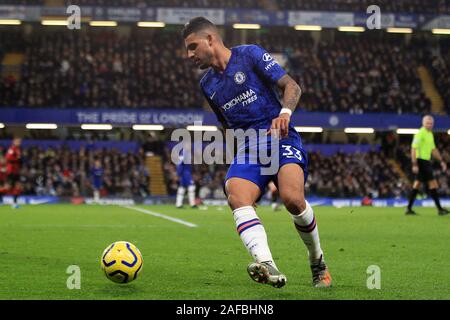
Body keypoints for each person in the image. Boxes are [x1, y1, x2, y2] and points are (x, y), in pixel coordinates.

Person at [182, 17, 331, 288]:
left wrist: (285, 114)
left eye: (193, 46)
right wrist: (246, 172)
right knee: (237, 193)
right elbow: (227, 126)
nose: (189, 55)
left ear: (211, 39)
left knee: (292, 200)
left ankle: (317, 261)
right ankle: (267, 264)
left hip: (281, 138)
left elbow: (292, 86)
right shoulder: (207, 84)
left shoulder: (250, 54)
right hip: (250, 148)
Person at [406, 115, 449, 216]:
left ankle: (409, 208)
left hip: (426, 162)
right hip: (421, 161)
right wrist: (414, 164)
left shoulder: (430, 134)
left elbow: (433, 150)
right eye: (427, 123)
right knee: (433, 184)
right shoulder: (420, 134)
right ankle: (439, 209)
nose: (429, 125)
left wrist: (441, 161)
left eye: (431, 123)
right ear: (423, 123)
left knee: (417, 184)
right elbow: (413, 149)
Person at [5, 138, 22, 209]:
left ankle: (15, 203)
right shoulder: (12, 149)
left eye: (20, 142)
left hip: (16, 171)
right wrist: (17, 159)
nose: (19, 143)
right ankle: (14, 203)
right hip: (11, 170)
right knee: (8, 187)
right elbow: (8, 158)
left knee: (17, 187)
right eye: (17, 141)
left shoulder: (18, 149)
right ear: (14, 142)